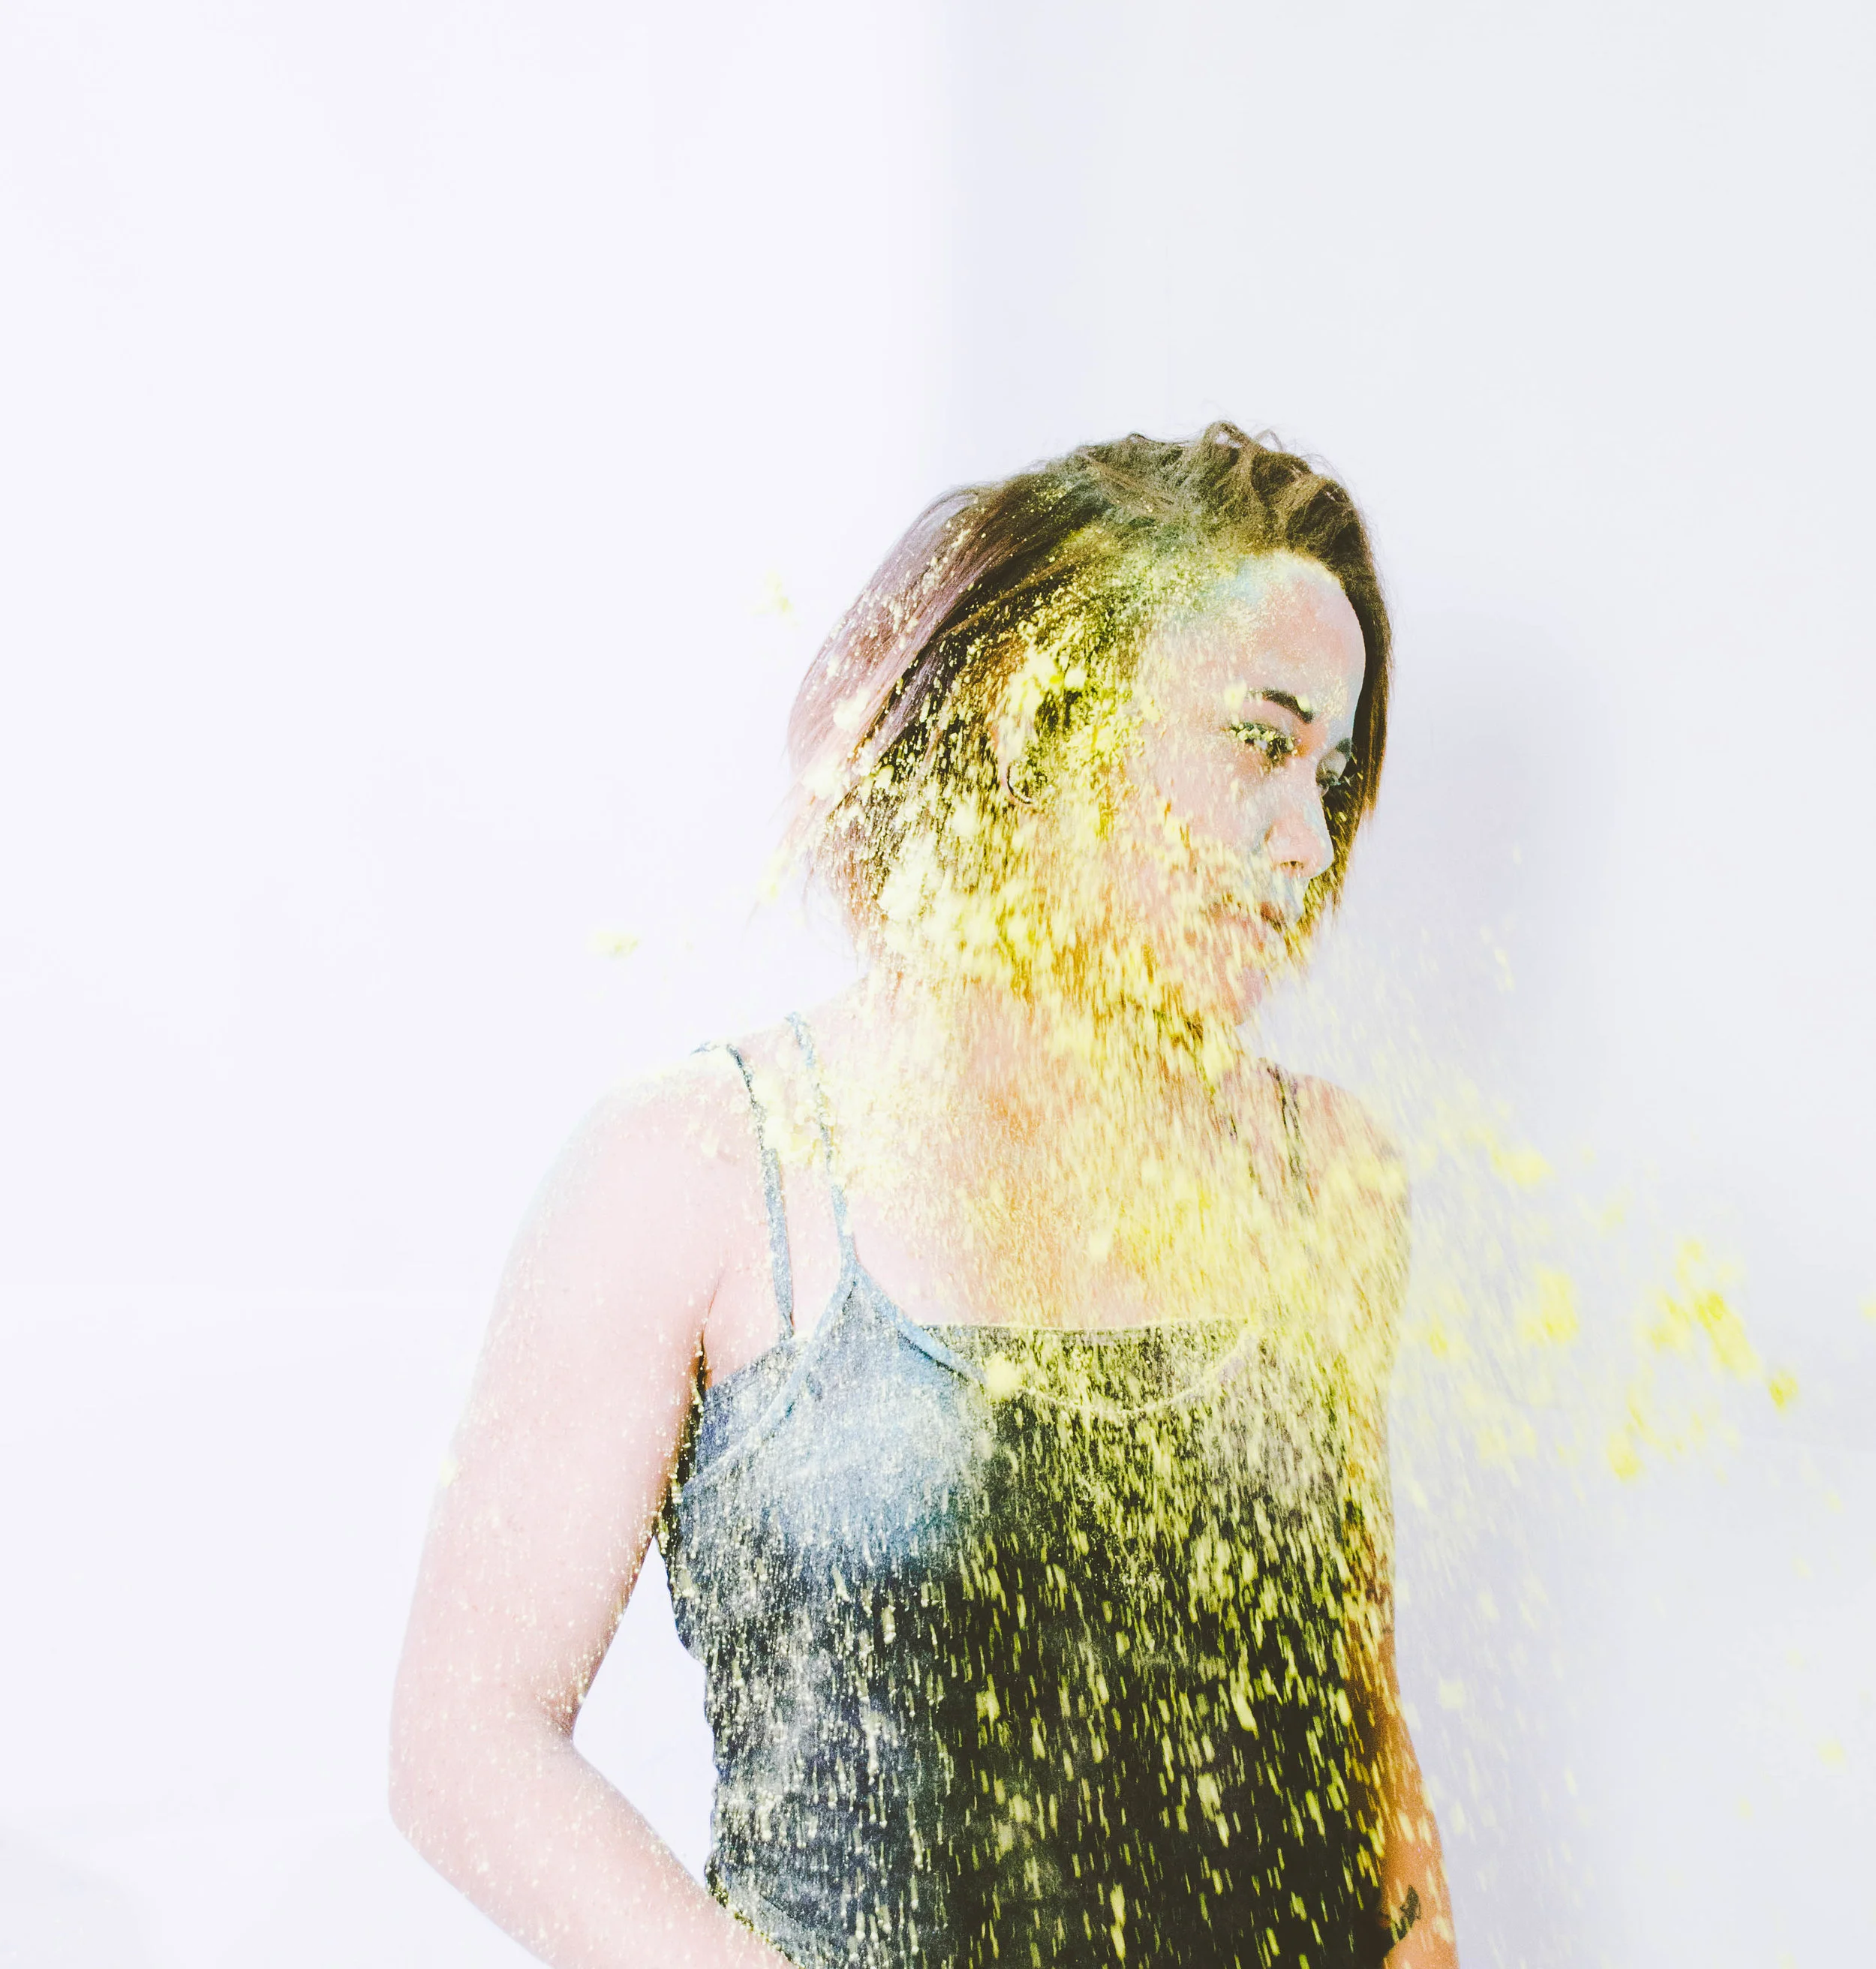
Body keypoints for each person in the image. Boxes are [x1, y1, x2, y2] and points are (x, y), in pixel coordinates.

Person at [390, 424, 1459, 1968]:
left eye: (1330, 773)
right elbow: (464, 1739)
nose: (1304, 842)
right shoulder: (697, 1167)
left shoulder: (1329, 1174)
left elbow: (1356, 1715)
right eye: (1258, 740)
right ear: (1042, 708)